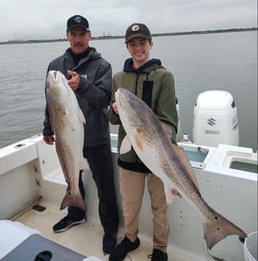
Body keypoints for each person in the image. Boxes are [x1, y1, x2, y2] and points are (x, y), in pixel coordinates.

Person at [42, 14, 119, 254]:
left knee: (105, 185)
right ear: (67, 36)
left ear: (89, 36)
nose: (77, 39)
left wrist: (83, 85)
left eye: (81, 34)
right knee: (71, 178)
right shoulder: (55, 66)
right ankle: (76, 212)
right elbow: (50, 102)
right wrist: (47, 127)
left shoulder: (102, 66)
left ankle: (110, 229)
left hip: (96, 137)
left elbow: (105, 100)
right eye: (73, 34)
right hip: (66, 135)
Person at [108, 23, 179, 261]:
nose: (138, 48)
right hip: (128, 157)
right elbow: (111, 118)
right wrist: (116, 111)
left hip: (158, 157)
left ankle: (160, 248)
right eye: (133, 44)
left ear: (151, 43)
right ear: (127, 47)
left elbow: (169, 121)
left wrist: (160, 150)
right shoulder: (118, 78)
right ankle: (130, 238)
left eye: (142, 43)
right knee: (130, 204)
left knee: (160, 205)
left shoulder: (164, 77)